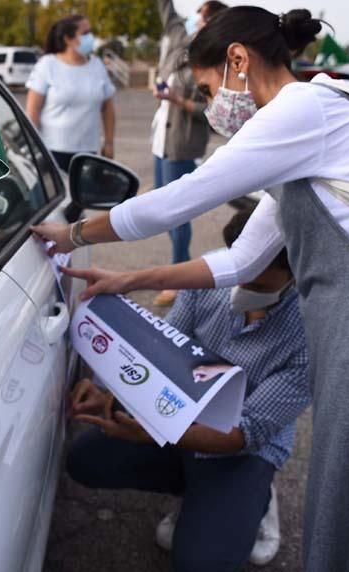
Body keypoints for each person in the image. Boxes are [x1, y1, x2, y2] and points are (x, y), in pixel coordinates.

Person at [34, 6, 349, 571]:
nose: (214, 104)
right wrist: (130, 278)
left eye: (211, 87)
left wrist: (71, 233)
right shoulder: (312, 130)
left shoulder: (302, 111)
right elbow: (239, 261)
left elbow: (180, 200)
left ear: (238, 59)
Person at [66, 208, 308, 571]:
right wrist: (110, 393)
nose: (240, 289)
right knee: (84, 461)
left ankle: (254, 498)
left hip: (241, 449)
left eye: (257, 286)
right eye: (239, 274)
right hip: (179, 412)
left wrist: (152, 433)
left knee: (202, 564)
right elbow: (162, 355)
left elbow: (247, 432)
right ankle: (198, 494)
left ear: (296, 275)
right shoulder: (210, 275)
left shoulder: (311, 335)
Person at [150, 0, 226, 307]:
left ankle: (179, 281)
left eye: (203, 16)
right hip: (161, 136)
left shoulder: (213, 61)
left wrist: (181, 102)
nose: (196, 19)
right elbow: (165, 4)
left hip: (182, 143)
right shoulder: (181, 41)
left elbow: (213, 112)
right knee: (165, 213)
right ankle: (179, 273)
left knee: (177, 216)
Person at [25, 14, 116, 172]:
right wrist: (32, 148)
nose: (90, 37)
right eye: (85, 33)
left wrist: (109, 142)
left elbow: (107, 107)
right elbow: (33, 110)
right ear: (68, 39)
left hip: (88, 152)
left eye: (90, 32)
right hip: (52, 151)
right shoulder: (47, 65)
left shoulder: (97, 65)